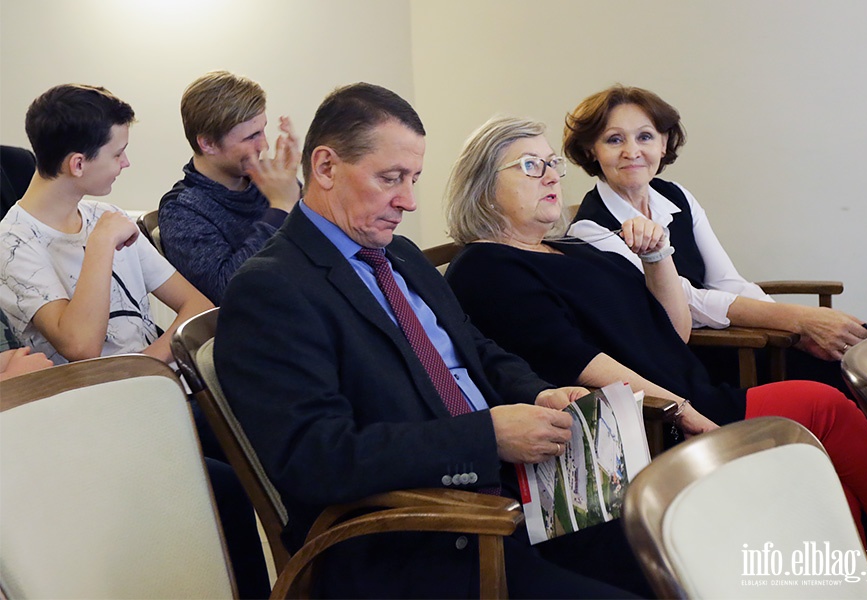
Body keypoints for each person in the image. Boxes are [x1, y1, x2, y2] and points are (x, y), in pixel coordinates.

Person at [216, 83, 655, 598]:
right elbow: (316, 457)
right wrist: (485, 435)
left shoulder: (399, 254)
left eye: (414, 178)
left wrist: (537, 392)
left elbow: (476, 351)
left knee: (676, 550)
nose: (408, 200)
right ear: (327, 167)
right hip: (421, 537)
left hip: (515, 500)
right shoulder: (272, 288)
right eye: (391, 178)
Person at [443, 116, 867, 546]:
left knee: (824, 437)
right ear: (483, 187)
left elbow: (673, 328)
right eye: (530, 166)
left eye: (552, 164)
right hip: (650, 425)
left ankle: (863, 566)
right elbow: (577, 362)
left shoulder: (569, 248)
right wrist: (679, 410)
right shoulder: (486, 267)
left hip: (689, 391)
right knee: (820, 406)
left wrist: (659, 254)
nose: (551, 176)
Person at [0, 84, 269, 598]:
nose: (126, 164)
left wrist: (146, 366)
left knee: (269, 447)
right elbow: (80, 344)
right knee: (227, 488)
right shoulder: (14, 243)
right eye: (118, 153)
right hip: (93, 418)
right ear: (78, 163)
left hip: (157, 392)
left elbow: (197, 306)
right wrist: (99, 246)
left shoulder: (106, 216)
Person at [562, 85, 867, 388]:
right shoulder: (590, 229)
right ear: (592, 149)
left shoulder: (677, 196)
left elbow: (726, 281)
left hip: (739, 339)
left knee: (857, 370)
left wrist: (797, 336)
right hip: (685, 361)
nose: (632, 152)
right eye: (614, 140)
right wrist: (798, 319)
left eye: (645, 137)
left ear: (664, 143)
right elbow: (689, 301)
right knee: (834, 384)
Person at [158, 70, 302, 305]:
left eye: (263, 130)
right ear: (208, 143)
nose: (264, 145)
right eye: (251, 137)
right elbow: (229, 290)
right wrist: (281, 208)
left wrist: (303, 191)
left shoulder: (271, 181)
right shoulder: (181, 210)